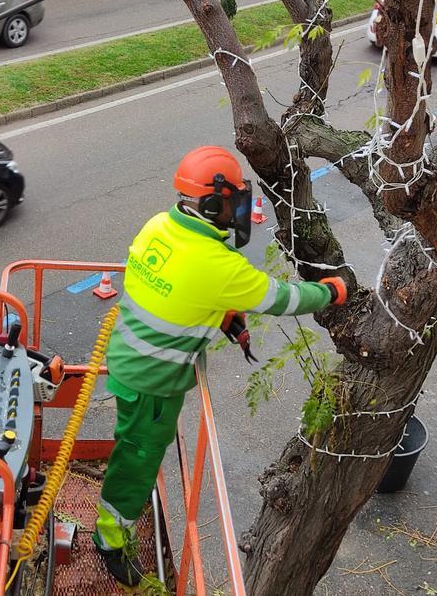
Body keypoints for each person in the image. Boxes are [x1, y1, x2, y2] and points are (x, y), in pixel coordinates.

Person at [93, 145, 348, 586]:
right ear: (211, 203)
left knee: (131, 445)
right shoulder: (218, 265)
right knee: (138, 457)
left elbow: (172, 289)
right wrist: (330, 291)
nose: (238, 206)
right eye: (232, 198)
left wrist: (222, 312)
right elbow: (282, 298)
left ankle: (113, 524)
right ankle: (110, 538)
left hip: (128, 358)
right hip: (153, 380)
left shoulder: (159, 226)